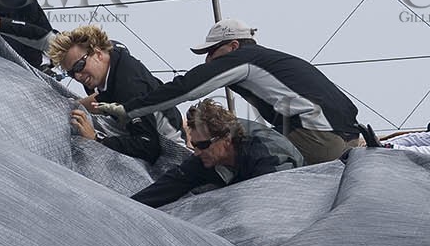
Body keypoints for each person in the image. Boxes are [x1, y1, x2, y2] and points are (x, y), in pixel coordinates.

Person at [95, 19, 364, 165]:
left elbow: (188, 87)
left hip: (317, 138)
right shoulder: (277, 61)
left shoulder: (244, 60)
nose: (208, 60)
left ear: (234, 45)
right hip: (349, 137)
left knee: (231, 151)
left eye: (212, 52)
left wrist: (129, 109)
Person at [131, 100, 303, 208]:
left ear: (226, 138)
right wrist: (126, 207)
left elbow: (278, 202)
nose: (197, 152)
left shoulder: (268, 156)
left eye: (203, 145)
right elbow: (171, 185)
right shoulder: (207, 155)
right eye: (195, 145)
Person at [49, 25, 182, 163]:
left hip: (173, 152)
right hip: (149, 135)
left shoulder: (129, 85)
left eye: (79, 66)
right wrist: (71, 106)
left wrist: (97, 138)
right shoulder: (109, 65)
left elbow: (149, 146)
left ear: (98, 53)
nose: (77, 76)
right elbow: (102, 100)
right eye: (71, 73)